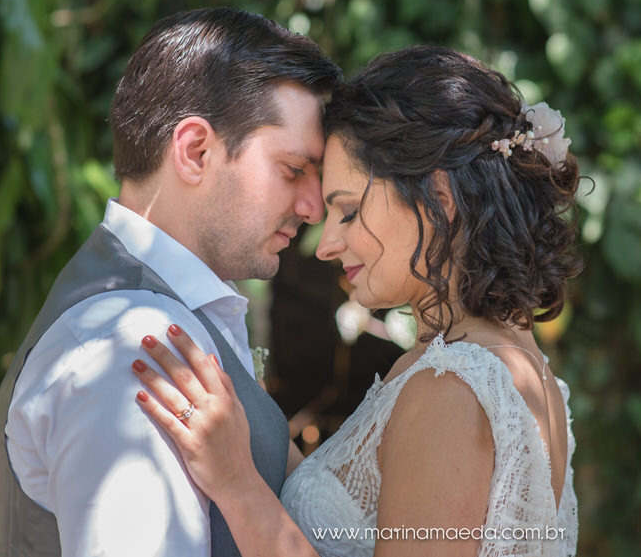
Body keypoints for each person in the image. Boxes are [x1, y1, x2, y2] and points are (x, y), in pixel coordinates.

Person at [133, 45, 582, 556]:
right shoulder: (520, 368)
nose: (326, 244)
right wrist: (250, 414)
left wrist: (238, 486)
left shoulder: (452, 389)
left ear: (438, 198)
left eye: (346, 211)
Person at [0, 7, 342, 556]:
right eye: (293, 170)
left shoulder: (162, 318)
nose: (314, 207)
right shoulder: (130, 346)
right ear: (195, 151)